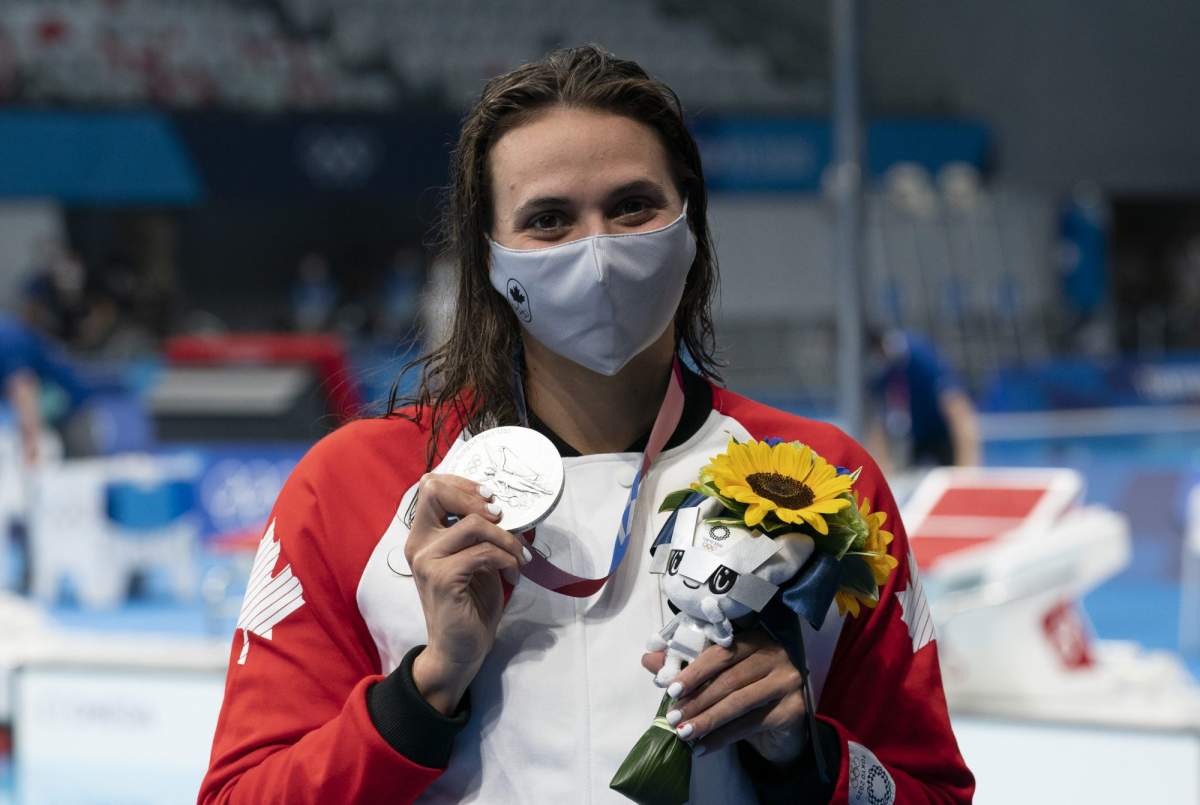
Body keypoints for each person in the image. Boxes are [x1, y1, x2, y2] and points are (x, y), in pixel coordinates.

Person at [200, 47, 974, 804]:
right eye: (549, 219)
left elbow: (932, 791)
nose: (597, 249)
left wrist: (803, 759)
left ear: (690, 226)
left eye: (633, 205)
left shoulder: (821, 481)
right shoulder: (350, 485)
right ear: (491, 261)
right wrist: (423, 690)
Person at [867, 329, 981, 470]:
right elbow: (878, 425)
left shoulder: (919, 358)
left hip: (944, 435)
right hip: (918, 437)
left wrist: (968, 464)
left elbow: (958, 408)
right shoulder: (880, 373)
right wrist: (881, 468)